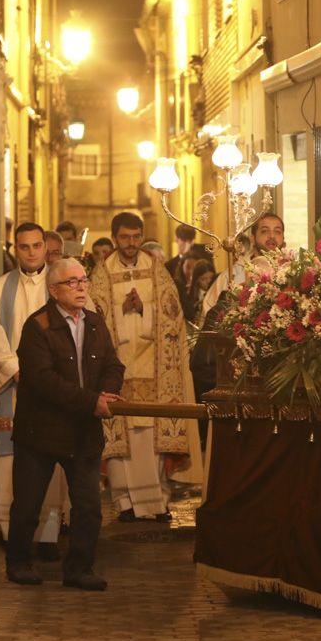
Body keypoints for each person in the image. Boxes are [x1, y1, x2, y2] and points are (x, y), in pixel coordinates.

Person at [5, 257, 125, 590]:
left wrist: (109, 392)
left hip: (82, 432)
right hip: (40, 432)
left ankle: (80, 568)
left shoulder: (96, 323)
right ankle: (18, 562)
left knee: (88, 506)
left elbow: (114, 365)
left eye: (83, 280)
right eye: (72, 282)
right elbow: (44, 381)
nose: (81, 287)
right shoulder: (38, 326)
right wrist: (92, 402)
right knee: (28, 504)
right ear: (54, 290)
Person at [88, 212, 196, 522]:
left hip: (155, 366)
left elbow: (173, 315)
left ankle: (157, 501)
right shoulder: (102, 273)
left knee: (151, 436)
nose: (131, 243)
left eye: (136, 237)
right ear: (115, 238)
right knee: (121, 437)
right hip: (116, 367)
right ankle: (125, 502)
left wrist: (145, 310)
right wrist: (121, 311)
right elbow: (94, 319)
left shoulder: (156, 269)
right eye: (125, 237)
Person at [0, 222, 66, 560]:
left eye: (36, 245)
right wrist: (19, 372)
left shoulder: (60, 285)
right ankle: (10, 530)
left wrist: (49, 377)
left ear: (46, 247)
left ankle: (48, 534)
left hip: (54, 392)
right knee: (12, 461)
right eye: (24, 246)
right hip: (15, 390)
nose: (31, 252)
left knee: (52, 459)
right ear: (15, 249)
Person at [199, 212, 285, 321]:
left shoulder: (290, 272)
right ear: (253, 238)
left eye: (277, 231)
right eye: (264, 231)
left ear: (283, 238)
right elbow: (209, 312)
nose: (272, 236)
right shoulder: (232, 275)